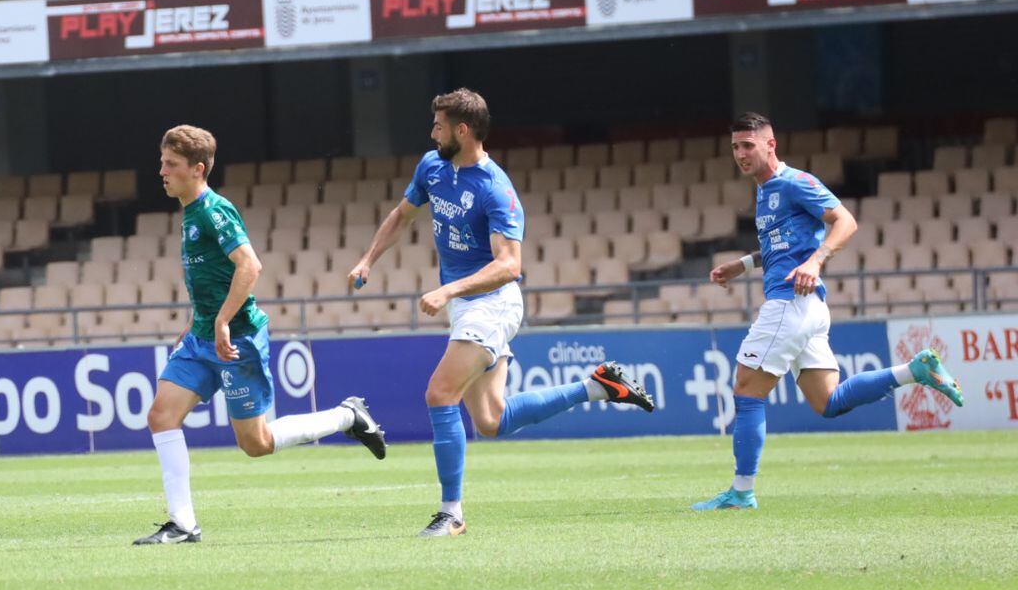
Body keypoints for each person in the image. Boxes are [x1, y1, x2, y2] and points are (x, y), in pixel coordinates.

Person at [348, 89, 655, 537]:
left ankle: (450, 513)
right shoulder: (432, 166)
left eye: (438, 124)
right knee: (491, 421)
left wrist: (448, 288)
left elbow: (510, 265)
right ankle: (597, 386)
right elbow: (401, 215)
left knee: (439, 394)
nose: (432, 131)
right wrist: (367, 259)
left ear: (462, 130)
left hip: (493, 302)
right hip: (464, 304)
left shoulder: (495, 189)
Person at [694, 112, 963, 510]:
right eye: (735, 146)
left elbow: (845, 221)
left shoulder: (794, 182)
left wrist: (817, 261)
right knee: (829, 402)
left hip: (790, 303)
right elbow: (783, 248)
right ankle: (914, 370)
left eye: (748, 145)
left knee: (747, 391)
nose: (740, 153)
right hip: (809, 308)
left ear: (771, 145)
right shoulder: (765, 191)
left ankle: (741, 491)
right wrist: (744, 265)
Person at [135, 125, 388, 545]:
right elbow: (213, 278)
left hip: (237, 340)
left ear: (198, 169)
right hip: (202, 338)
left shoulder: (215, 210)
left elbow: (249, 266)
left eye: (171, 164)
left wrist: (221, 323)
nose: (161, 171)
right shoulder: (189, 211)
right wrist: (200, 322)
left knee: (256, 443)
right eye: (162, 162)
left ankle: (348, 415)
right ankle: (182, 524)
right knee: (161, 415)